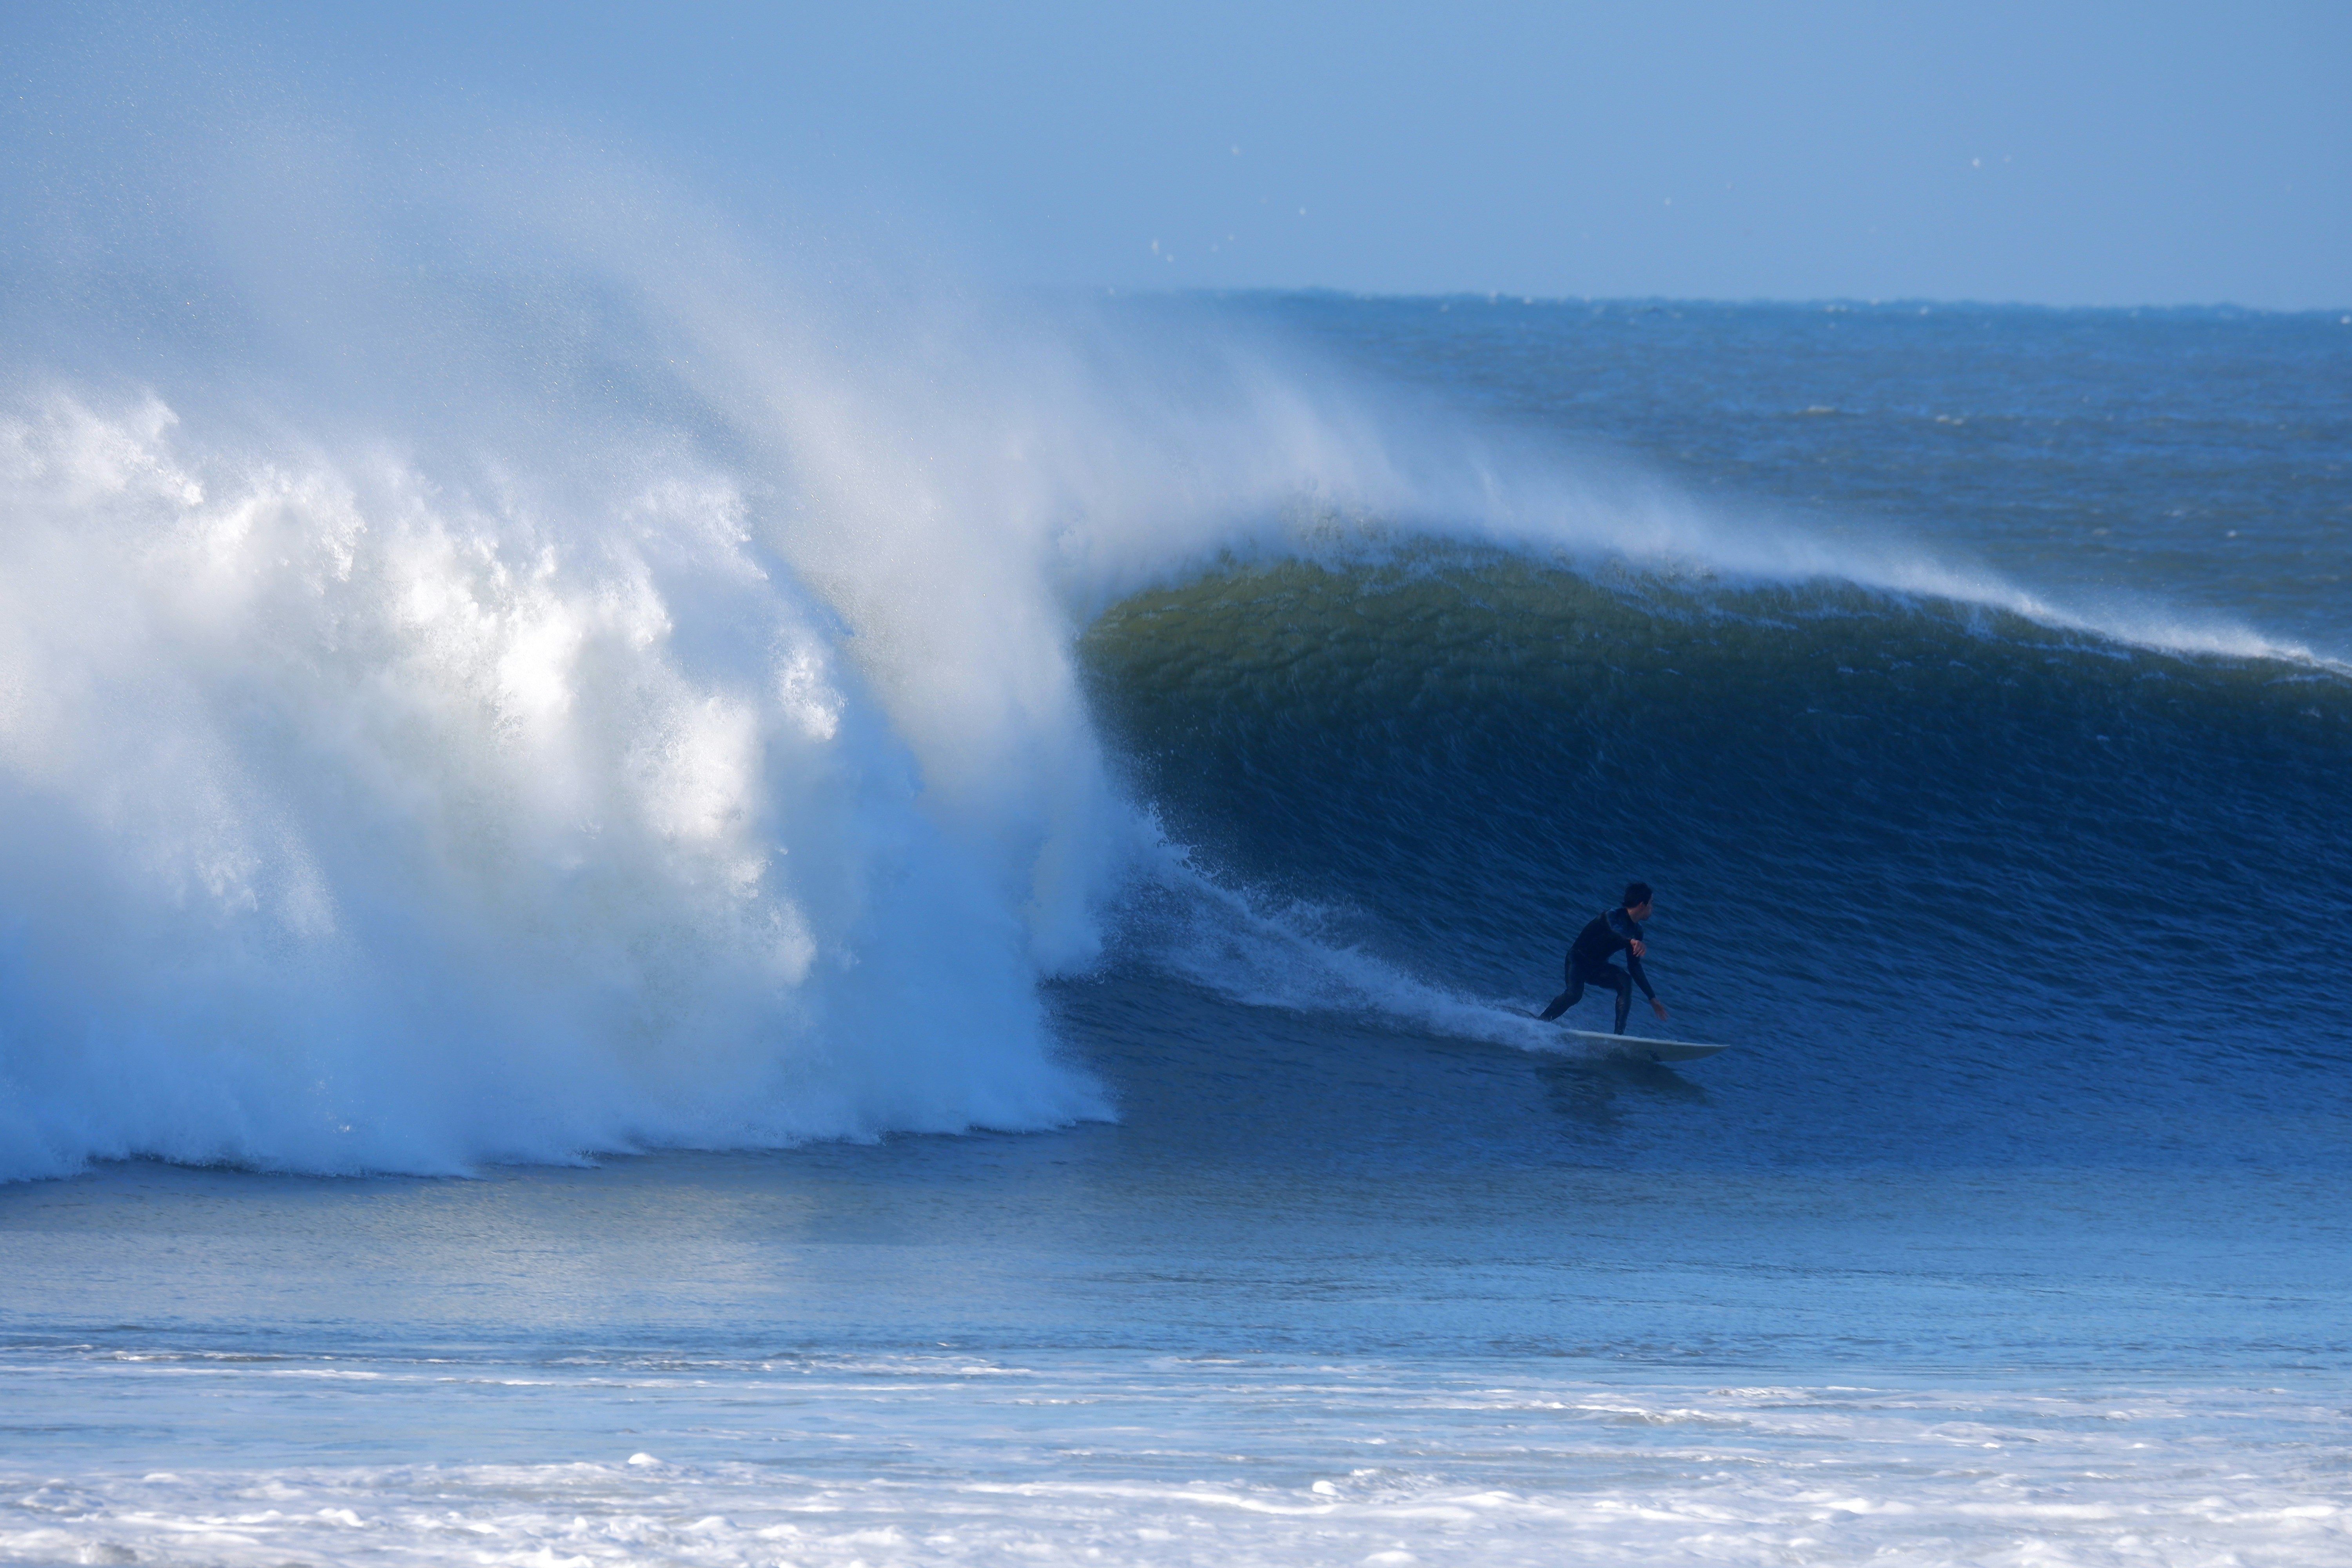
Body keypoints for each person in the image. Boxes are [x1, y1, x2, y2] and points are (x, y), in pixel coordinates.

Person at [1539, 882, 1670, 1034]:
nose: (1652, 909)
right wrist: (1631, 941)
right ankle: (1541, 1022)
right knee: (1574, 995)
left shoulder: (1637, 932)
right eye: (1652, 904)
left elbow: (1634, 967)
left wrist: (1652, 998)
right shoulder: (1611, 915)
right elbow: (1615, 931)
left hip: (1598, 967)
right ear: (1642, 905)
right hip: (1578, 960)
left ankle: (1619, 1036)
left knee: (1625, 980)